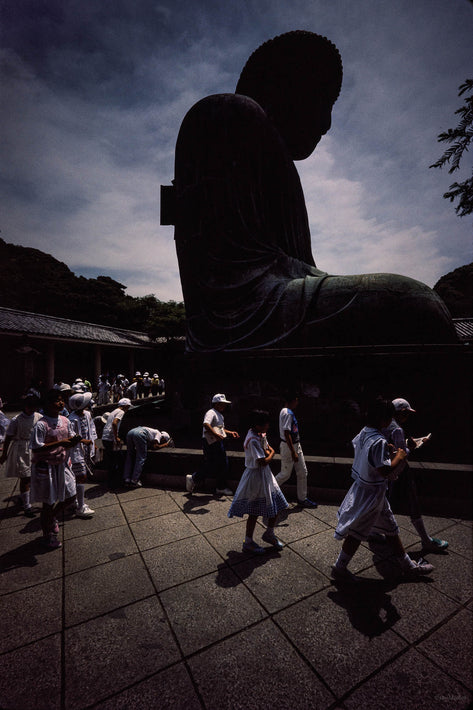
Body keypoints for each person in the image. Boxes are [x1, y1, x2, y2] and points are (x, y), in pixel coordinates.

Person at [170, 31, 457, 352]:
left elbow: (295, 266)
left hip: (279, 295)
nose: (326, 123)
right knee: (413, 303)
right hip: (238, 315)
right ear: (282, 87)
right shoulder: (226, 113)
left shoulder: (279, 164)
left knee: (411, 302)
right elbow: (228, 269)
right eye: (322, 98)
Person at [332, 398, 434, 581]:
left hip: (366, 489)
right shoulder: (378, 440)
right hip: (372, 494)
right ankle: (340, 568)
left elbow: (361, 449)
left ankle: (408, 565)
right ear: (383, 419)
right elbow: (385, 470)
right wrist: (399, 456)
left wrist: (386, 450)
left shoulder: (365, 432)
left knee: (391, 529)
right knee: (357, 533)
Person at [383, 398, 448, 552]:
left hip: (385, 469)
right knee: (413, 502)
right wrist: (412, 446)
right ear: (402, 412)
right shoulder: (397, 429)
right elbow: (402, 454)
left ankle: (375, 532)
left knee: (384, 502)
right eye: (407, 414)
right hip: (399, 470)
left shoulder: (384, 424)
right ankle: (426, 540)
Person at [228, 409, 288, 553]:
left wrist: (269, 452)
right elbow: (263, 460)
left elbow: (266, 449)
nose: (268, 426)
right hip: (255, 476)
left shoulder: (259, 435)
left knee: (277, 504)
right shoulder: (252, 439)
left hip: (265, 475)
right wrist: (273, 453)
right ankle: (248, 542)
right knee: (254, 511)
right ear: (258, 425)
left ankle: (269, 533)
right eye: (265, 424)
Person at [30, 390, 82, 549]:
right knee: (48, 502)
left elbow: (70, 438)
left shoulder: (66, 420)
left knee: (71, 496)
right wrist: (61, 443)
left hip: (63, 464)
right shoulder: (41, 424)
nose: (60, 403)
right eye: (56, 401)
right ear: (46, 404)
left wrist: (74, 441)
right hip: (47, 467)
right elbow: (36, 447)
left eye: (61, 400)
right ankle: (47, 535)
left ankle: (51, 517)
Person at [186, 393, 239, 495]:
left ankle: (218, 485)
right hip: (210, 442)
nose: (224, 406)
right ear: (216, 404)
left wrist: (230, 432)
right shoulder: (211, 413)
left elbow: (220, 429)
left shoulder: (220, 415)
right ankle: (195, 478)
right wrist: (215, 435)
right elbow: (206, 424)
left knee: (220, 464)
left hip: (217, 441)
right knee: (215, 464)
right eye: (222, 404)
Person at [0, 395, 41, 517]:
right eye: (29, 407)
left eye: (34, 407)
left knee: (35, 475)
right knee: (25, 476)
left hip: (35, 448)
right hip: (21, 449)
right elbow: (8, 437)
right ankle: (27, 505)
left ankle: (27, 497)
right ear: (25, 406)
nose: (32, 409)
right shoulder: (16, 420)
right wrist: (4, 454)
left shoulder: (39, 417)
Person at [276, 392, 317, 508]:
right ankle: (267, 492)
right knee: (285, 474)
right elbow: (286, 433)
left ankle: (302, 498)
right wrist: (293, 452)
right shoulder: (287, 413)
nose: (297, 403)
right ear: (293, 400)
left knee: (303, 472)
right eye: (296, 400)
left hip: (295, 445)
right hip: (289, 446)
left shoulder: (285, 412)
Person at [68, 392, 97, 517]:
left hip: (86, 449)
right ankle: (80, 507)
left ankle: (76, 501)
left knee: (79, 476)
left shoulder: (88, 414)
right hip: (76, 451)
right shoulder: (71, 419)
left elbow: (92, 429)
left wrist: (93, 442)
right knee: (81, 477)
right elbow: (70, 435)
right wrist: (82, 440)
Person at [101, 398, 132, 487]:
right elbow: (114, 423)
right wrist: (116, 438)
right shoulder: (121, 412)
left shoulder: (114, 411)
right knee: (117, 460)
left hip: (105, 438)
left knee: (111, 460)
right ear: (125, 406)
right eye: (128, 407)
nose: (128, 409)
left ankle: (111, 481)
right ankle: (114, 482)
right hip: (110, 439)